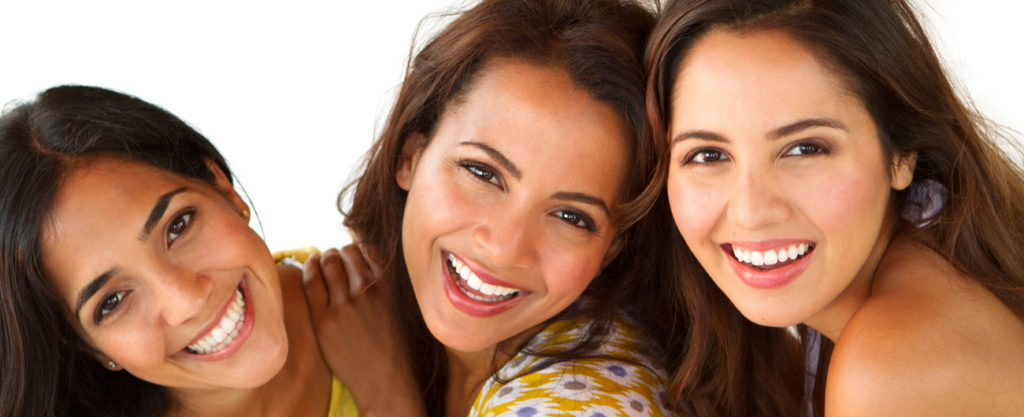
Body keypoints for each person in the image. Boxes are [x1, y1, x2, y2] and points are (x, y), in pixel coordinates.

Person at [300, 0, 682, 415]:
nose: (504, 247)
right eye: (482, 173)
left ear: (611, 247)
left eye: (571, 217)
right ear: (410, 155)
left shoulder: (582, 400)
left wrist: (387, 394)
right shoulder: (357, 308)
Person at [645, 0, 1024, 416]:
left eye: (806, 149)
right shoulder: (918, 269)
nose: (751, 211)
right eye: (708, 155)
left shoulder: (891, 369)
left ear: (901, 154)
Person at [0, 85, 358, 417]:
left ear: (223, 189)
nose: (186, 301)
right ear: (90, 347)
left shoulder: (395, 294)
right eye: (112, 301)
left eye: (178, 226)